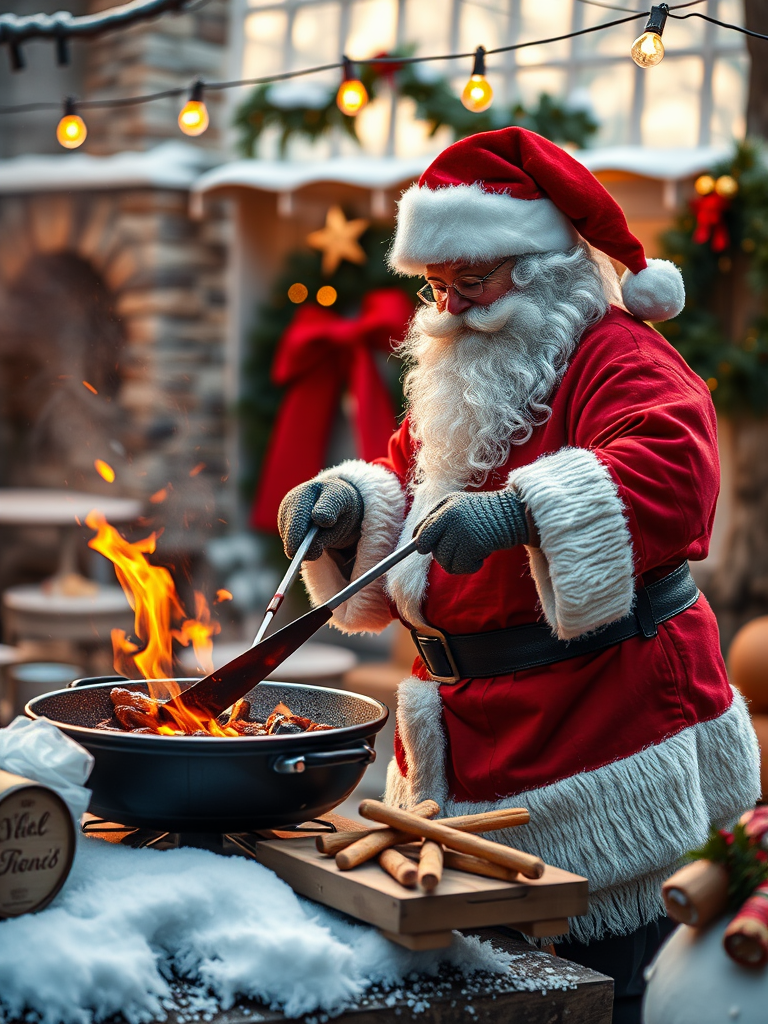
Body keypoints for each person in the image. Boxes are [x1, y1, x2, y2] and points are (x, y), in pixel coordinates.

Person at [276, 128, 761, 1023]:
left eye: (474, 281)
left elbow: (678, 470)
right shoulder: (471, 365)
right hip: (472, 734)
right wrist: (350, 503)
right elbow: (414, 477)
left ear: (540, 265)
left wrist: (523, 512)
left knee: (609, 982)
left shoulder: (620, 354)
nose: (451, 307)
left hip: (603, 727)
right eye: (436, 285)